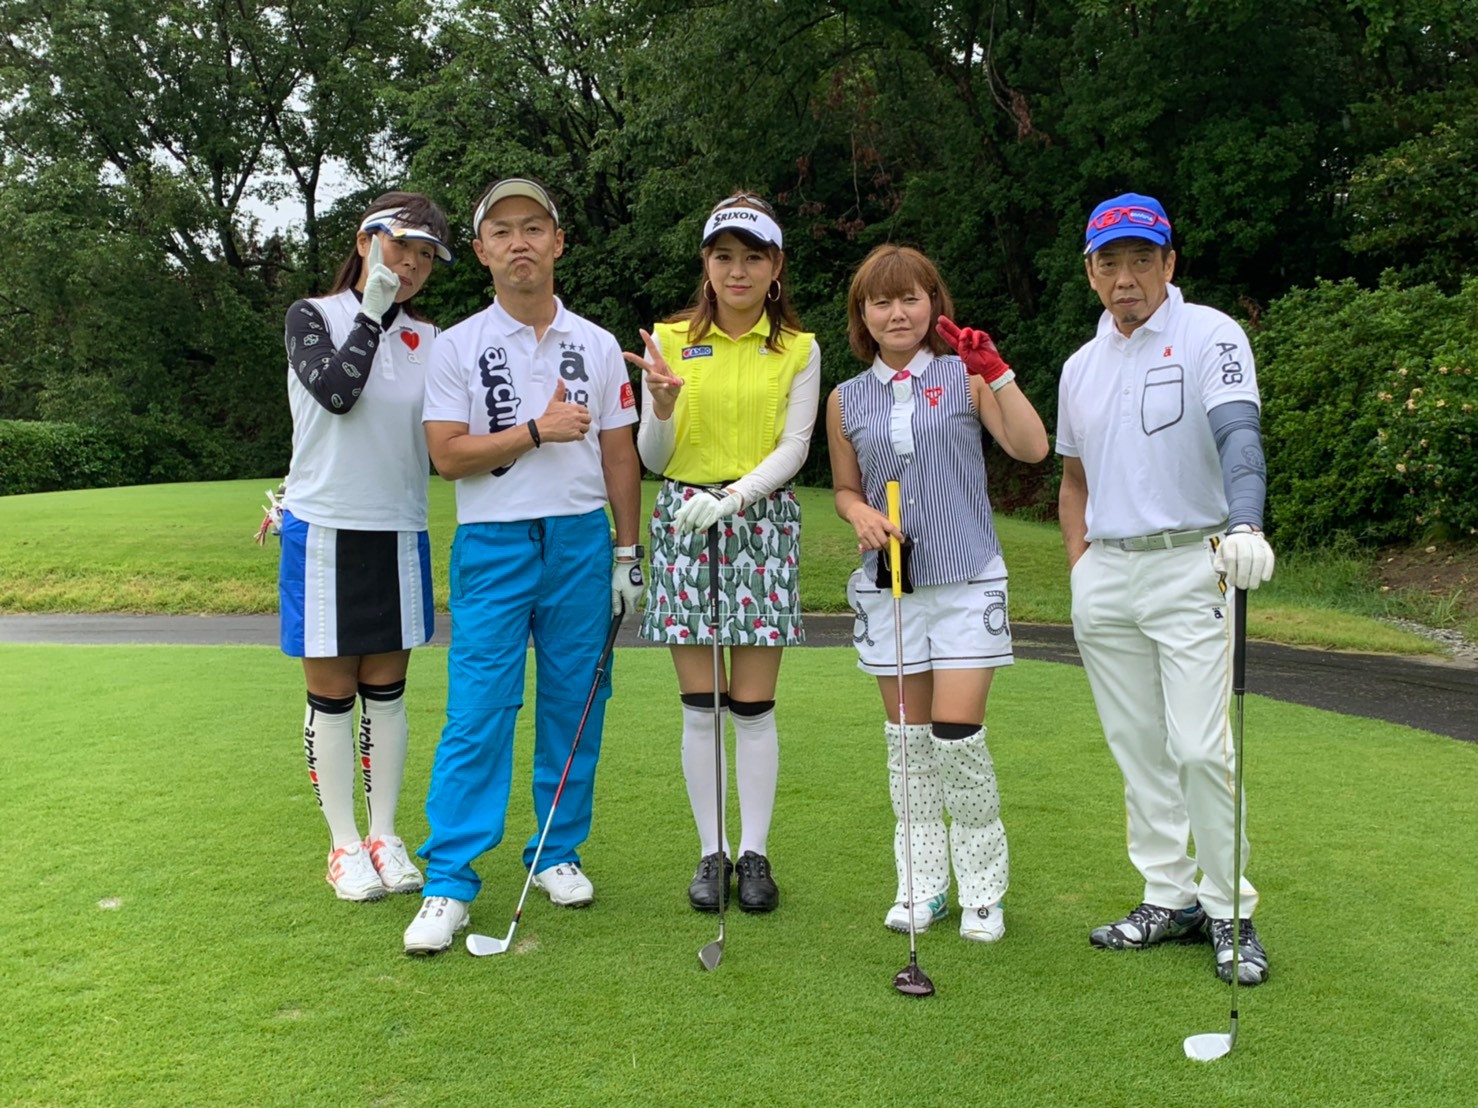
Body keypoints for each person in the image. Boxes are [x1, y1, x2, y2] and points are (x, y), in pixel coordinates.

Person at [403, 176, 644, 954]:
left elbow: (619, 455)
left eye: (533, 228)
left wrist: (628, 551)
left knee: (576, 703)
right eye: (502, 231)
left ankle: (556, 851)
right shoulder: (457, 345)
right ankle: (449, 882)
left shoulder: (597, 345)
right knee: (478, 710)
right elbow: (447, 456)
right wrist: (535, 431)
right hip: (493, 543)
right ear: (481, 251)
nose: (519, 243)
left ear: (558, 242)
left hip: (580, 540)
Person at [1057, 192, 1277, 984]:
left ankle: (1229, 908)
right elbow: (1074, 480)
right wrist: (1081, 567)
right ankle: (1168, 895)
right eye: (1110, 262)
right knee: (1139, 748)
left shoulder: (1210, 334)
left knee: (1198, 749)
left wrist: (1246, 523)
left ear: (1169, 263)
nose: (1126, 278)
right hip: (1108, 571)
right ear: (1090, 272)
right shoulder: (1080, 367)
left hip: (1193, 562)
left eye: (1142, 260)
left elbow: (1239, 435)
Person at [827, 245, 1048, 942]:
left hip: (967, 579)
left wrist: (997, 372)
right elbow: (844, 488)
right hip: (891, 586)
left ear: (933, 304)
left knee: (957, 737)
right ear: (863, 314)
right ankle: (922, 887)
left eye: (911, 298)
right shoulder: (845, 398)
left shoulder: (964, 375)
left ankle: (983, 891)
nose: (897, 313)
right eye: (881, 301)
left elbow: (1032, 448)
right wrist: (859, 514)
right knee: (907, 745)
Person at [622, 193, 820, 914]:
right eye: (724, 256)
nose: (738, 271)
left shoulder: (798, 348)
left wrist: (734, 498)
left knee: (754, 707)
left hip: (760, 521)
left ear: (775, 266)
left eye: (752, 257)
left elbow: (795, 447)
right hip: (684, 519)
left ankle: (755, 853)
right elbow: (653, 456)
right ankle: (712, 851)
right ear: (706, 263)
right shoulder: (670, 340)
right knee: (702, 706)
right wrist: (661, 404)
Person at [277, 192, 455, 902]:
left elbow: (452, 434)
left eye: (425, 256)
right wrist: (373, 313)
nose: (411, 264)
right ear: (365, 241)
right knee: (332, 697)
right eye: (401, 245)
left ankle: (384, 835)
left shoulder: (432, 340)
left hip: (398, 528)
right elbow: (337, 392)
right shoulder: (312, 316)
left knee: (386, 695)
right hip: (323, 528)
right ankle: (344, 844)